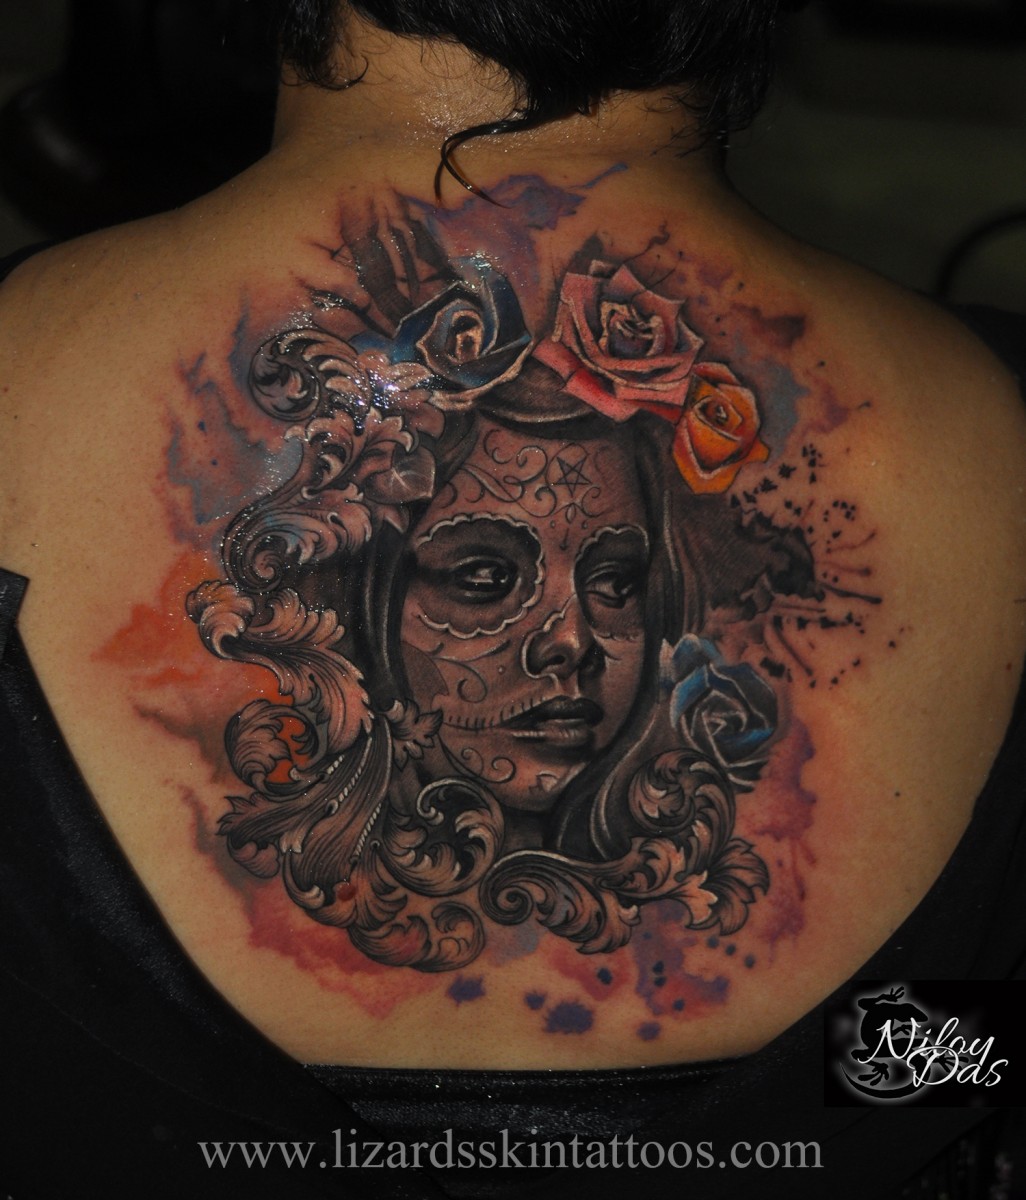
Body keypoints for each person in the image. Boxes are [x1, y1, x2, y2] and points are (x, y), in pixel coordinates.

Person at [1, 0, 1024, 1195]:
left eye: (620, 580)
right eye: (483, 576)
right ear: (353, 599)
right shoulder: (990, 437)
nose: (572, 645)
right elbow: (960, 1069)